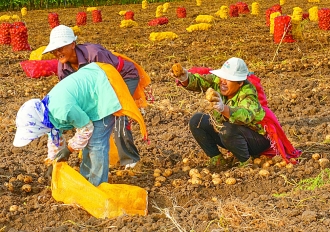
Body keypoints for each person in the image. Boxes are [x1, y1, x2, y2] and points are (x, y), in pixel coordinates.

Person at [13, 62, 147, 186]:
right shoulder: (46, 113)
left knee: (96, 143)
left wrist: (69, 150)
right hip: (92, 89)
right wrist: (52, 163)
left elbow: (86, 129)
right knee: (89, 143)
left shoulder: (63, 109)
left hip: (104, 88)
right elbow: (54, 139)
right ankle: (87, 180)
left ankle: (97, 186)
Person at [42, 24, 147, 169]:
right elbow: (69, 94)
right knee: (90, 120)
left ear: (73, 44)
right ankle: (96, 158)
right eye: (54, 50)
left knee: (119, 113)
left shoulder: (94, 54)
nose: (57, 53)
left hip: (122, 78)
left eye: (60, 48)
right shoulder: (63, 68)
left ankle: (130, 160)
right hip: (99, 88)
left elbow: (111, 79)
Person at [171, 57, 301, 167]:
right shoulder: (218, 81)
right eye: (223, 78)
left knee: (227, 129)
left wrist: (224, 109)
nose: (223, 82)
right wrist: (185, 77)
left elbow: (246, 115)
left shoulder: (248, 91)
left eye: (228, 79)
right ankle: (217, 160)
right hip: (231, 136)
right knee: (197, 121)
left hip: (255, 139)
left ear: (240, 83)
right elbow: (200, 81)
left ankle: (246, 162)